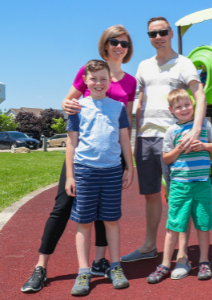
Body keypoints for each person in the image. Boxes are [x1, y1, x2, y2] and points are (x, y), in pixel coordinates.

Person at [21, 25, 136, 293]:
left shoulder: (130, 82)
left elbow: (125, 126)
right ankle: (41, 267)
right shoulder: (88, 70)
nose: (119, 46)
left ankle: (100, 262)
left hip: (110, 158)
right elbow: (68, 101)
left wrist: (128, 164)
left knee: (105, 215)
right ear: (105, 45)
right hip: (82, 157)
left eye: (125, 42)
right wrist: (65, 103)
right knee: (63, 208)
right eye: (114, 41)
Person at [121, 16, 206, 280]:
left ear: (171, 34)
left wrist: (195, 129)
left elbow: (199, 94)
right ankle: (149, 246)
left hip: (174, 139)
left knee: (178, 195)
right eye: (152, 34)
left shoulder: (184, 63)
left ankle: (182, 255)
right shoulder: (144, 66)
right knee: (150, 194)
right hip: (145, 137)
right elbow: (137, 99)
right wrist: (132, 133)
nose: (158, 37)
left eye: (162, 32)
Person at [66, 60, 133, 295]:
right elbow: (71, 142)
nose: (98, 83)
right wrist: (69, 177)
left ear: (110, 80)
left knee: (112, 221)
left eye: (103, 78)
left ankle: (115, 266)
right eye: (93, 78)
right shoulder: (77, 107)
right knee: (83, 223)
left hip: (113, 171)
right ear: (85, 80)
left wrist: (130, 168)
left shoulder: (118, 108)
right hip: (85, 172)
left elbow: (124, 140)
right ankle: (83, 271)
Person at [146, 89, 212, 284]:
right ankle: (164, 264)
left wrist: (203, 146)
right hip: (179, 185)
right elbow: (166, 158)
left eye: (187, 104)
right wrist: (180, 147)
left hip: (202, 183)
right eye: (178, 107)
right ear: (172, 110)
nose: (184, 109)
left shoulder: (204, 124)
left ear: (193, 105)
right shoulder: (172, 131)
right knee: (174, 225)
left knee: (203, 224)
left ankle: (204, 261)